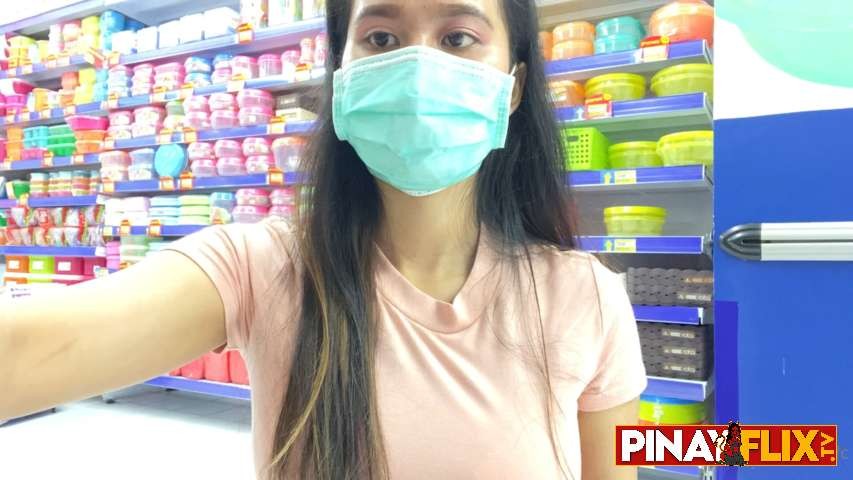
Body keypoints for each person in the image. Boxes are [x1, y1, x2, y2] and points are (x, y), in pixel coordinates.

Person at [1, 0, 646, 478]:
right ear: (341, 80)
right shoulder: (260, 268)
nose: (418, 68)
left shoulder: (586, 296)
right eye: (381, 37)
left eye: (458, 37)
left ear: (514, 87)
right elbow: (31, 349)